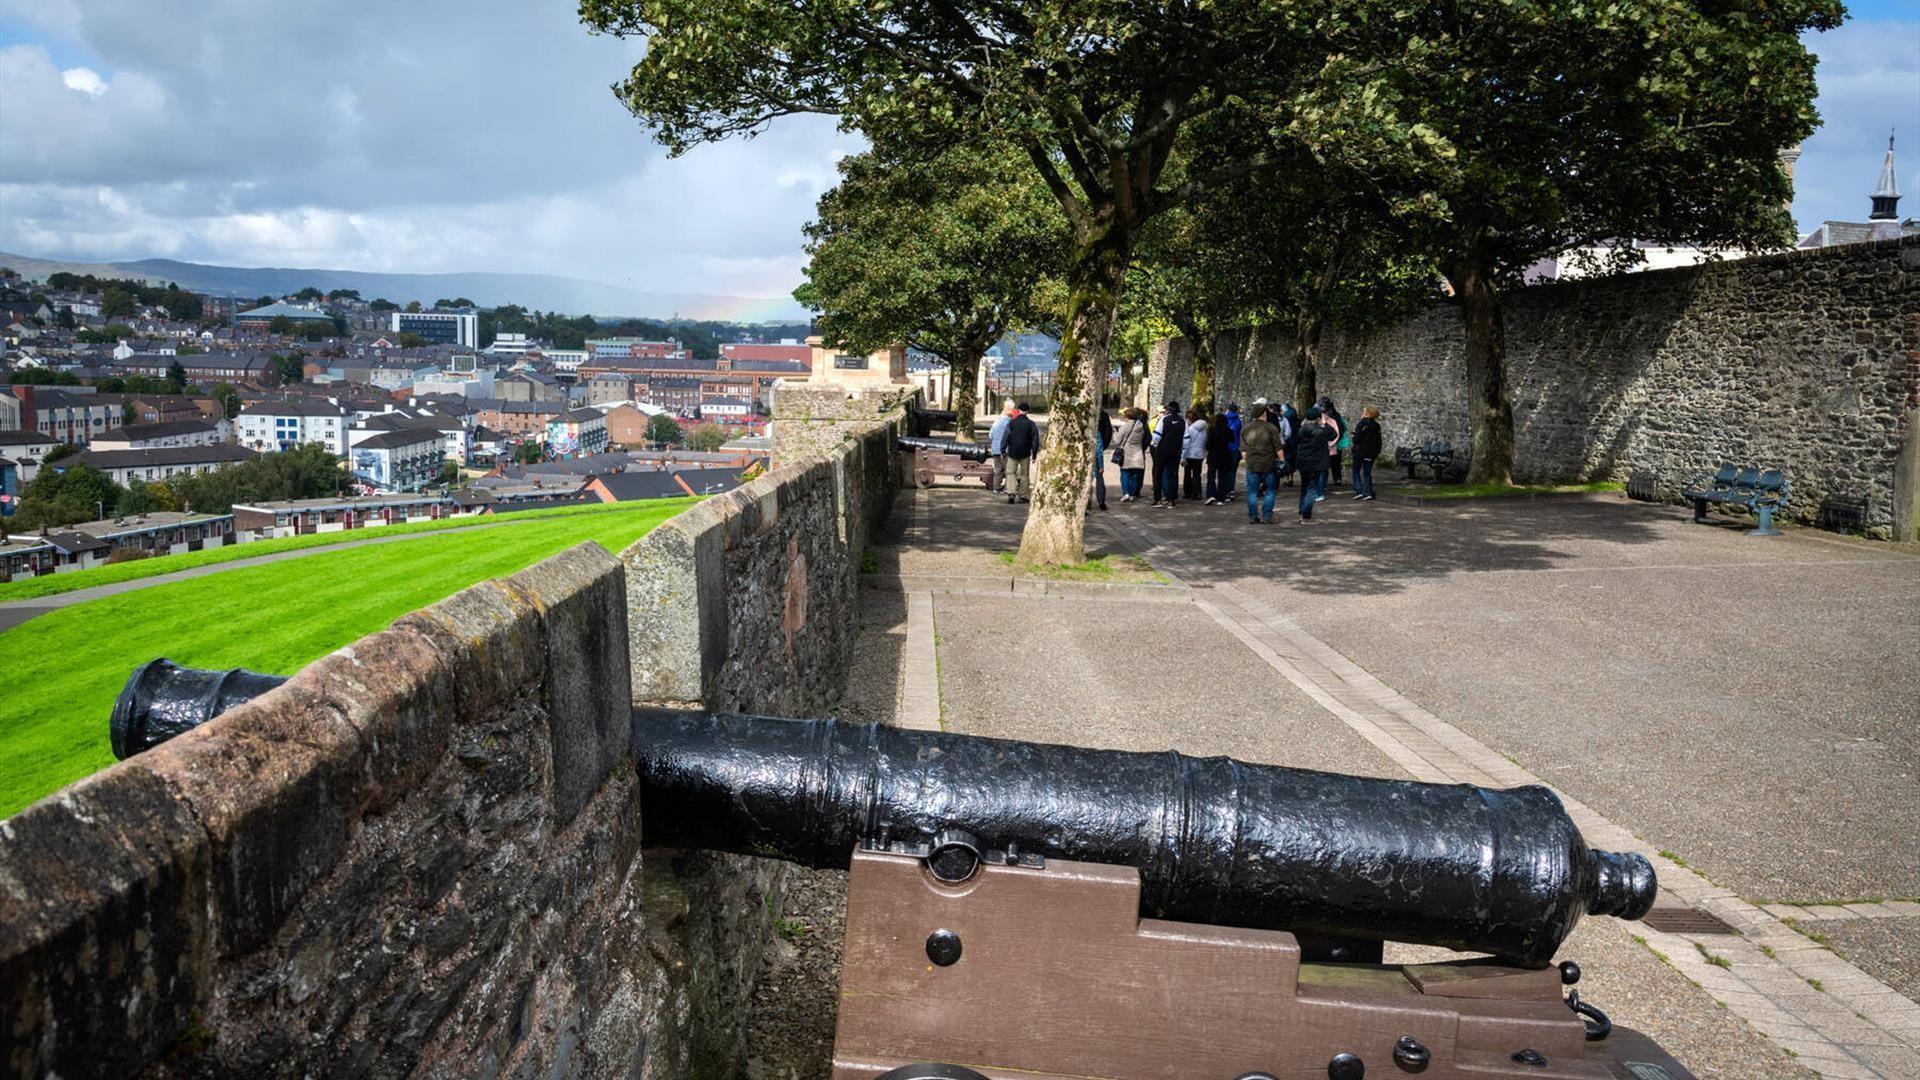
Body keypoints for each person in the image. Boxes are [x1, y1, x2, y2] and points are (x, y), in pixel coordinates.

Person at [1239, 405, 1282, 524]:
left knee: (1252, 492)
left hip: (1252, 465)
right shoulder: (1271, 428)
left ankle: (1253, 516)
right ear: (1264, 414)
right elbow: (1278, 449)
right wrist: (1282, 461)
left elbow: (1243, 452)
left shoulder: (1245, 429)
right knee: (1270, 490)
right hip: (1268, 464)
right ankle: (1267, 515)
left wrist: (1247, 462)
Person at [1294, 406, 1332, 523]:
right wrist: (1324, 423)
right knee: (1312, 488)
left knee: (1304, 487)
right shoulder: (1320, 431)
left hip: (1303, 461)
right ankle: (1306, 515)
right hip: (1316, 462)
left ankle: (1302, 510)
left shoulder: (1301, 430)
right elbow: (1333, 435)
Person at [1150, 400, 1185, 507]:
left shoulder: (1163, 420)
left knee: (1157, 474)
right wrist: (1183, 453)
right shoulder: (1182, 421)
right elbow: (1186, 439)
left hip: (1162, 450)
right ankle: (1171, 500)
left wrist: (1154, 446)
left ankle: (1158, 500)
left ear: (1168, 410)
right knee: (1172, 475)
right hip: (1176, 451)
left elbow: (1157, 436)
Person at [1002, 401, 1039, 504]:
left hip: (1012, 452)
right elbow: (1035, 440)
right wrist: (1034, 453)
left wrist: (1002, 450)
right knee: (1024, 474)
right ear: (1027, 411)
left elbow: (1006, 436)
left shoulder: (1011, 423)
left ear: (1018, 410)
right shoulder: (1031, 424)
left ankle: (1011, 492)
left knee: (1010, 472)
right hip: (1025, 452)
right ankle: (1023, 495)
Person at [1114, 407, 1149, 502]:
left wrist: (1116, 433)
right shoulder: (1141, 425)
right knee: (1134, 474)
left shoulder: (1125, 426)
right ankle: (1132, 494)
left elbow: (1117, 440)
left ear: (1127, 416)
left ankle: (1126, 493)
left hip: (1127, 451)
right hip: (1137, 452)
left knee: (1125, 473)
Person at [1204, 409, 1236, 504]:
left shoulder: (1212, 430)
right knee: (1223, 477)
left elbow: (1208, 445)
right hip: (1225, 455)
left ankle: (1211, 494)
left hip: (1213, 455)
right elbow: (1232, 440)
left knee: (1211, 476)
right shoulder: (1228, 430)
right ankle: (1221, 497)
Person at [1351, 406, 1382, 501]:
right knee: (1367, 473)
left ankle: (1359, 491)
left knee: (1356, 471)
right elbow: (1378, 440)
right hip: (1370, 452)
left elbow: (1357, 438)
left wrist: (1354, 437)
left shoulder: (1362, 424)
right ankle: (1367, 492)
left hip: (1360, 451)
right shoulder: (1376, 426)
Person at [1318, 396, 1347, 495]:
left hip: (1328, 444)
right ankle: (1337, 479)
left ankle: (1323, 483)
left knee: (1325, 465)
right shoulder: (1338, 416)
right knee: (1336, 462)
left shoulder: (1323, 417)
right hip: (1337, 443)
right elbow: (1343, 428)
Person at [987, 400, 1015, 493]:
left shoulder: (996, 421)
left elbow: (990, 435)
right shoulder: (1009, 423)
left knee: (997, 470)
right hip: (1005, 450)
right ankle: (1007, 488)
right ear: (1009, 409)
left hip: (995, 449)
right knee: (1008, 470)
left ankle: (996, 488)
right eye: (1012, 409)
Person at [1180, 409, 1207, 502]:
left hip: (1189, 454)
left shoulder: (1190, 430)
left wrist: (1183, 457)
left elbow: (1186, 443)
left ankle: (1188, 492)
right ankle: (1197, 492)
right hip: (1199, 455)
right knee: (1197, 474)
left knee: (1187, 474)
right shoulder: (1203, 429)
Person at [1090, 407, 1113, 511]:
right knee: (1099, 478)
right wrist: (1101, 465)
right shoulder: (1097, 434)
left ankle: (1086, 503)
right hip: (1095, 457)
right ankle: (1101, 500)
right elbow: (1099, 450)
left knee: (1087, 480)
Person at [1221, 403, 1243, 500]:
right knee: (1232, 470)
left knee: (1224, 470)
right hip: (1235, 447)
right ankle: (1231, 490)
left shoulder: (1223, 419)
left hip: (1225, 447)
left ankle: (1224, 489)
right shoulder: (1238, 421)